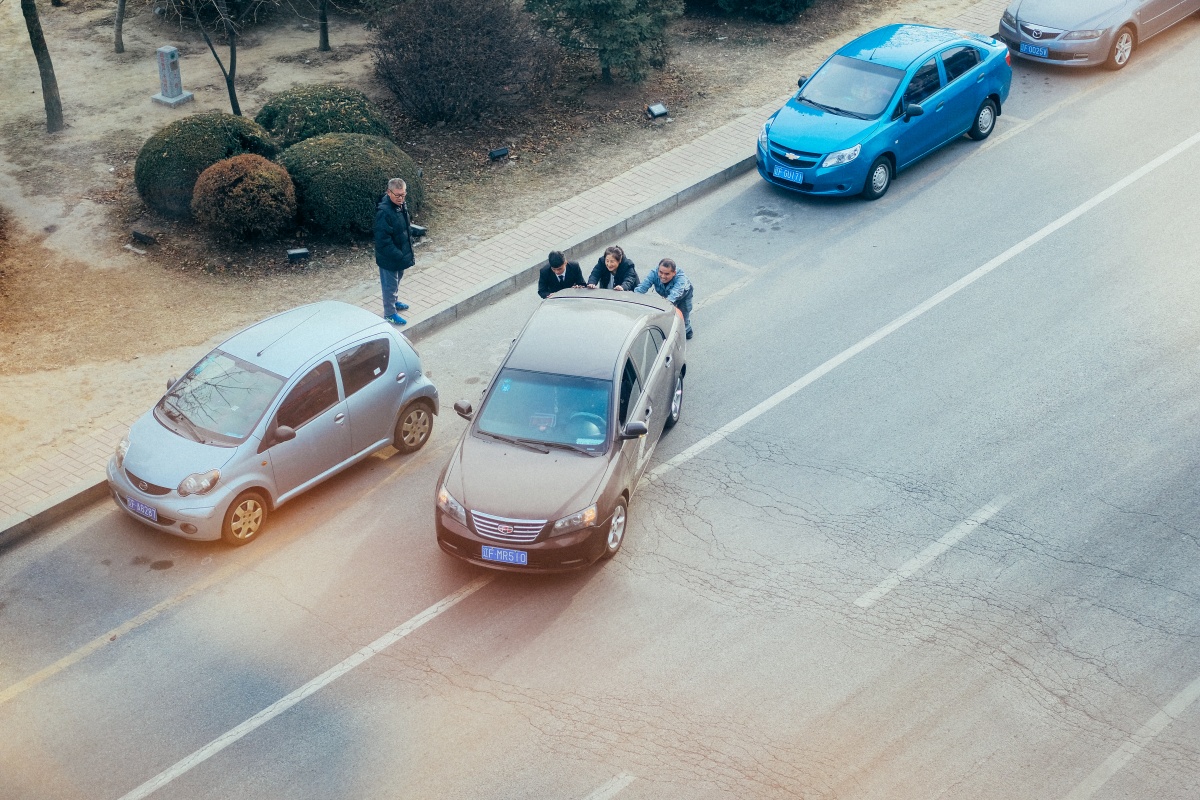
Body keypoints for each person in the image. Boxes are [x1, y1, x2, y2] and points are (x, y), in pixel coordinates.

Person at [374, 178, 415, 326]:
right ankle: (390, 313)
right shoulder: (384, 212)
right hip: (390, 258)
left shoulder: (401, 205)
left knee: (397, 280)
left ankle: (395, 301)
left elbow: (404, 227)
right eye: (397, 195)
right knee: (389, 285)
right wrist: (399, 254)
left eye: (403, 195)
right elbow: (382, 240)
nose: (401, 198)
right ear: (388, 192)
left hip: (400, 255)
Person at [634, 257, 694, 340]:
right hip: (667, 294)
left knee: (684, 314)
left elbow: (674, 295)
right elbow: (643, 287)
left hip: (683, 296)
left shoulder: (681, 279)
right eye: (661, 272)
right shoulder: (654, 273)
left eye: (667, 274)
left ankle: (687, 330)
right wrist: (633, 297)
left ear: (674, 273)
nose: (662, 276)